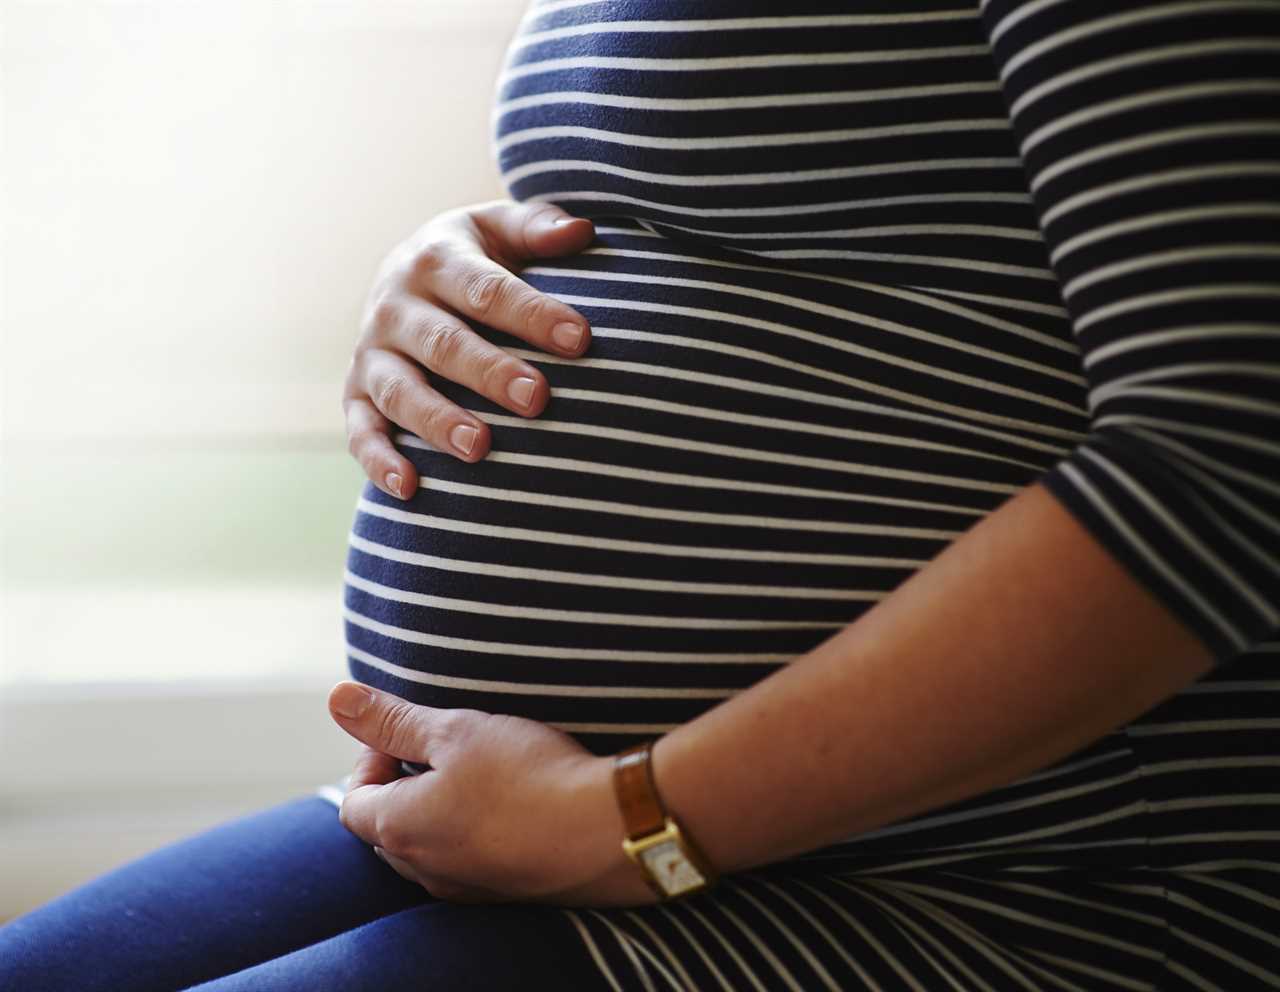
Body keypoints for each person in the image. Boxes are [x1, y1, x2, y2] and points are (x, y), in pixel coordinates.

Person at [3, 0, 1278, 989]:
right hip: (584, 826)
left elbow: (1224, 457)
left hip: (1013, 883)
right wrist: (448, 278)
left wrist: (632, 823)